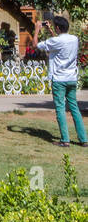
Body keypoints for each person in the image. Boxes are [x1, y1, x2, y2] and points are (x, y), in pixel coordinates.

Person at [34, 16, 86, 147]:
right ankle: (84, 139)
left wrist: (36, 30)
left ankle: (65, 139)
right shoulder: (74, 39)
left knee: (60, 109)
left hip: (59, 79)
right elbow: (58, 43)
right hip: (71, 78)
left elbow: (36, 45)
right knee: (74, 108)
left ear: (57, 28)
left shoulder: (55, 41)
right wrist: (51, 31)